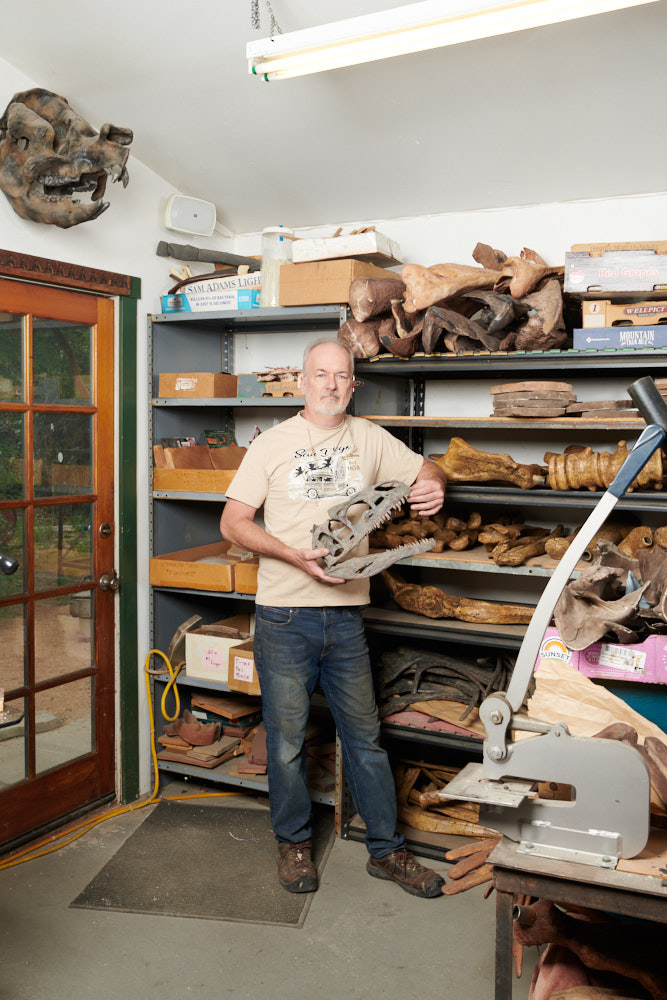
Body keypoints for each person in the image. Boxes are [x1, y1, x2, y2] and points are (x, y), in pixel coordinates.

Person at [220, 337, 447, 898]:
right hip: (284, 616)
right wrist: (292, 554)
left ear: (353, 384)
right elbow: (233, 523)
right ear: (302, 381)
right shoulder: (271, 445)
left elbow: (430, 466)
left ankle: (387, 851)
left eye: (342, 376)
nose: (330, 385)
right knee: (287, 742)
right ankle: (294, 842)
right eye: (320, 374)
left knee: (366, 739)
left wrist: (434, 486)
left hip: (346, 618)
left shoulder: (368, 438)